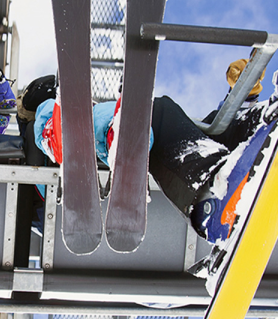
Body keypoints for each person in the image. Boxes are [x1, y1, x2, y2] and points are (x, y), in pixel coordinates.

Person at [31, 58, 275, 245]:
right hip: (89, 155)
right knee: (157, 114)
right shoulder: (32, 146)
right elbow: (43, 186)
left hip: (114, 135)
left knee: (186, 125)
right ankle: (210, 198)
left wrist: (240, 98)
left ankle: (262, 122)